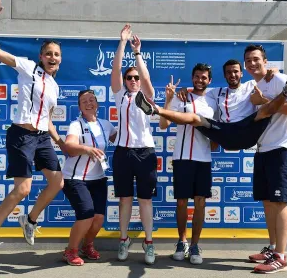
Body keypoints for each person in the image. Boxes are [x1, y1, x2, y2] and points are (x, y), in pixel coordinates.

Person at [0, 0, 65, 259]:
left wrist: (58, 140)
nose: (52, 57)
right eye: (49, 53)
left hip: (42, 138)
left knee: (57, 182)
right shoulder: (28, 67)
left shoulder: (55, 86)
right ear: (41, 57)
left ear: (60, 60)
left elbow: (48, 118)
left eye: (57, 55)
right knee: (23, 189)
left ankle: (30, 220)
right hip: (21, 135)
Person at [135, 59, 287, 151]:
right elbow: (198, 89)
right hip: (225, 133)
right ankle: (155, 109)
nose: (232, 75)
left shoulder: (252, 85)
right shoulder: (216, 91)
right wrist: (183, 90)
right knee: (196, 118)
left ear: (242, 73)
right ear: (224, 76)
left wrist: (274, 71)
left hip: (248, 131)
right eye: (228, 73)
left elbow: (263, 75)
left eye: (235, 71)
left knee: (264, 111)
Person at [242, 45, 287, 274]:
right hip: (263, 149)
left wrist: (264, 100)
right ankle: (273, 248)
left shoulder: (280, 80)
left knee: (279, 203)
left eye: (256, 59)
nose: (252, 63)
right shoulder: (254, 85)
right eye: (248, 60)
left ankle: (281, 258)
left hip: (281, 148)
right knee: (267, 202)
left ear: (265, 61)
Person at [159, 68, 217, 265]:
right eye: (197, 76)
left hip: (204, 159)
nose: (200, 80)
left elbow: (218, 133)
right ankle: (181, 241)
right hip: (182, 157)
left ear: (209, 80)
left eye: (204, 77)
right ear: (192, 78)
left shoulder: (213, 100)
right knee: (182, 202)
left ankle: (194, 245)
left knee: (200, 203)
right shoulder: (180, 96)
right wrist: (168, 99)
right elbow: (163, 125)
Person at [111, 24, 158, 265]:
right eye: (129, 78)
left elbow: (147, 78)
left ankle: (149, 242)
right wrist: (122, 43)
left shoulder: (148, 95)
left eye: (135, 77)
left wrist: (138, 52)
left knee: (145, 200)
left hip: (145, 152)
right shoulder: (120, 96)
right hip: (122, 153)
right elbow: (116, 68)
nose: (132, 80)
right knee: (125, 199)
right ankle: (123, 239)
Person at [61, 89, 117, 266]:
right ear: (79, 106)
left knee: (99, 218)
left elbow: (122, 137)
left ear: (97, 104)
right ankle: (70, 250)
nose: (88, 103)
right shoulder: (76, 125)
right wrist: (86, 149)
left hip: (98, 178)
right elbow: (69, 146)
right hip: (75, 178)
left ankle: (88, 245)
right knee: (86, 215)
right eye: (84, 101)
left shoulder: (106, 124)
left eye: (92, 99)